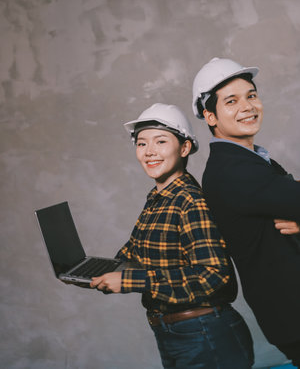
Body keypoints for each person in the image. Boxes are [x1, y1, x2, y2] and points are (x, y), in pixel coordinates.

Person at [90, 103, 254, 368]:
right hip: (174, 333)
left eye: (161, 141)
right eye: (141, 144)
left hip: (205, 333)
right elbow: (133, 252)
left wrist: (130, 280)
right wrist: (93, 272)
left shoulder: (190, 201)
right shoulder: (159, 198)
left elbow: (213, 274)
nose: (149, 152)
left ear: (185, 148)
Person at [192, 57, 300, 368]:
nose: (248, 106)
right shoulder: (232, 171)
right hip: (293, 312)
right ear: (210, 116)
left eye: (251, 95)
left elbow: (288, 198)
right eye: (231, 101)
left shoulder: (251, 159)